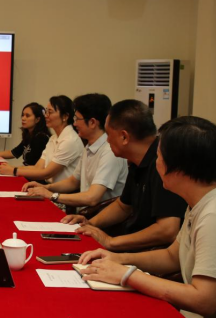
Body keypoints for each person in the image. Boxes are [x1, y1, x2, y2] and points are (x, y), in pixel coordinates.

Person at [78, 116, 216, 318]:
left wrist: (127, 275)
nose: (156, 162)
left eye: (159, 156)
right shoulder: (202, 202)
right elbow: (172, 256)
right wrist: (117, 258)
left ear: (178, 166)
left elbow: (204, 300)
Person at [62, 100, 187, 251]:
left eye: (108, 134)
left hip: (149, 253)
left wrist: (111, 241)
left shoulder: (162, 163)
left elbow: (167, 230)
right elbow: (123, 206)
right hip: (131, 245)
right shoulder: (137, 160)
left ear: (124, 137)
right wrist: (89, 223)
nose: (107, 140)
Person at [22, 94, 128, 208]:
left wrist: (52, 195)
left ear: (92, 122)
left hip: (99, 216)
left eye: (77, 119)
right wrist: (45, 188)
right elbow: (73, 181)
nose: (74, 123)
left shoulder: (109, 151)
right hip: (84, 213)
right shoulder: (88, 147)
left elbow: (92, 198)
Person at [0, 95, 82, 183]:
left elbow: (47, 173)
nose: (46, 115)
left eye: (50, 112)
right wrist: (12, 168)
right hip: (51, 187)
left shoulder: (69, 140)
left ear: (65, 116)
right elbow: (37, 167)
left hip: (60, 190)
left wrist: (14, 171)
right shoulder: (53, 138)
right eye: (46, 111)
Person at [0, 102, 50, 166]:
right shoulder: (30, 135)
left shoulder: (41, 138)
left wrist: (12, 169)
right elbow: (13, 153)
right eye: (23, 115)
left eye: (27, 116)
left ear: (37, 119)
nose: (23, 118)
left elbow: (32, 166)